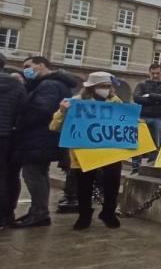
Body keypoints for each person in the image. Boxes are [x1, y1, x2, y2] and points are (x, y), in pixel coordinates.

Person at [50, 72, 125, 230]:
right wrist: (62, 111)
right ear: (92, 87)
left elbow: (123, 121)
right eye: (103, 86)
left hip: (109, 149)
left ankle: (108, 212)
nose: (106, 89)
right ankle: (84, 215)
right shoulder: (76, 102)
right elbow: (55, 126)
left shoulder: (115, 101)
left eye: (108, 86)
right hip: (83, 150)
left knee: (112, 181)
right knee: (84, 184)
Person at [11, 56, 77, 228]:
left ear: (41, 65)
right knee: (39, 173)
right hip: (44, 137)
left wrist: (19, 123)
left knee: (32, 174)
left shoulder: (49, 85)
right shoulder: (52, 83)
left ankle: (39, 212)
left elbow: (41, 110)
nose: (25, 69)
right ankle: (38, 211)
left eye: (28, 66)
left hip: (39, 137)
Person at [131, 64, 161, 174]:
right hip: (142, 117)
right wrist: (157, 98)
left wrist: (148, 95)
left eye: (158, 73)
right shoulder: (141, 84)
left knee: (158, 143)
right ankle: (135, 166)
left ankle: (152, 166)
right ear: (149, 73)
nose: (155, 75)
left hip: (159, 118)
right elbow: (136, 98)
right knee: (137, 142)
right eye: (153, 73)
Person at [0, 54, 26, 228]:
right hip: (8, 136)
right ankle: (6, 215)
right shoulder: (16, 84)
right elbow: (22, 111)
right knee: (8, 175)